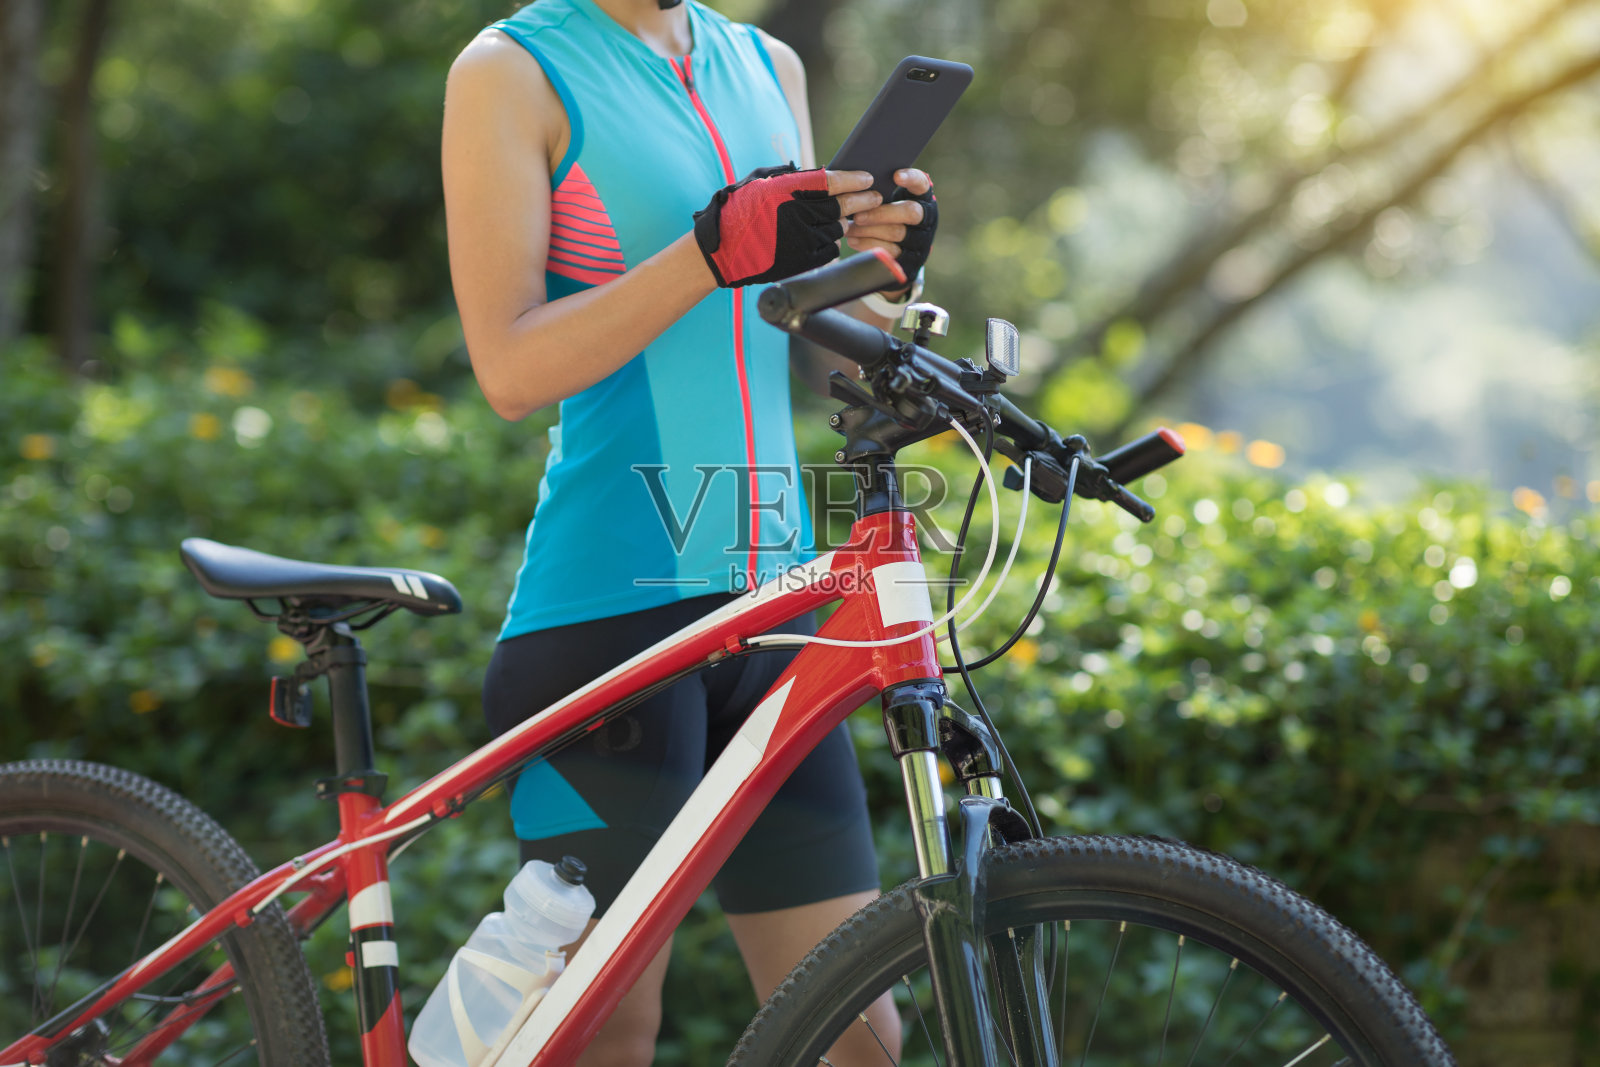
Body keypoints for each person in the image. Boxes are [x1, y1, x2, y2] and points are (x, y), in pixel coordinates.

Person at [442, 0, 936, 1062]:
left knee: (859, 1037)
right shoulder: (512, 68)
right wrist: (705, 251)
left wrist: (885, 269)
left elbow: (807, 335)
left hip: (776, 614)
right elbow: (510, 370)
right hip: (611, 614)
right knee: (609, 1028)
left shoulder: (767, 64)